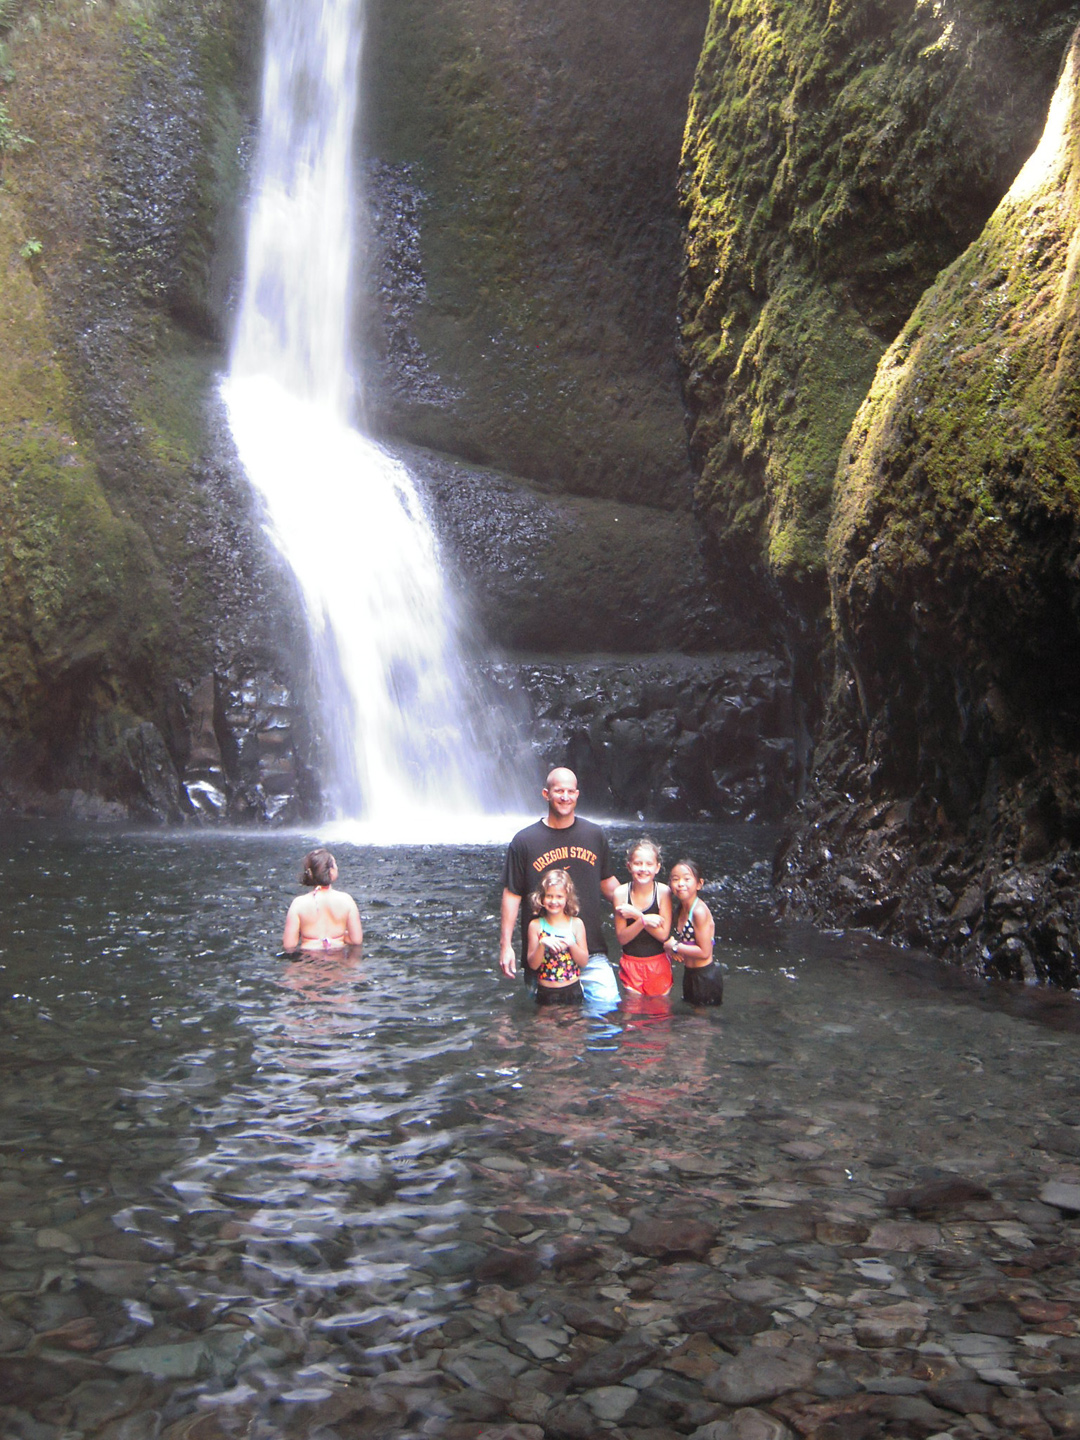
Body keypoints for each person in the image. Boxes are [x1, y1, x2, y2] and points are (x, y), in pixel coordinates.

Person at [499, 766, 620, 1008]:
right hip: (543, 955)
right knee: (548, 1029)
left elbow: (608, 884)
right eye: (558, 791)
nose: (565, 797)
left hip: (590, 951)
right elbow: (512, 894)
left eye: (570, 791)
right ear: (546, 794)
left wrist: (645, 906)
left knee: (606, 1017)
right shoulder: (524, 841)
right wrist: (506, 946)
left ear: (577, 794)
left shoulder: (594, 834)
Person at [613, 837, 673, 996]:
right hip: (631, 963)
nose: (643, 869)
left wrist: (637, 915)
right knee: (631, 1015)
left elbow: (663, 935)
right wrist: (644, 920)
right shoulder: (620, 893)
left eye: (649, 864)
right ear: (629, 866)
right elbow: (622, 938)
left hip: (658, 963)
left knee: (660, 1014)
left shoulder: (663, 892)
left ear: (657, 867)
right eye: (638, 863)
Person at [525, 869, 588, 1006]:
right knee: (546, 1027)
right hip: (546, 991)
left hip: (572, 989)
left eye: (559, 897)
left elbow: (583, 961)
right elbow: (533, 964)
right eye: (549, 896)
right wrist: (542, 944)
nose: (554, 901)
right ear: (541, 898)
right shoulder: (536, 925)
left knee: (575, 1026)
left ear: (567, 898)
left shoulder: (576, 924)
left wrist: (572, 944)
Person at [664, 858, 723, 1005]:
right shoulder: (681, 909)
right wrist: (674, 948)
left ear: (699, 884)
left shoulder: (699, 911)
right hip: (690, 974)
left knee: (700, 1025)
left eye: (687, 879)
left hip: (704, 977)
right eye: (675, 879)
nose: (680, 884)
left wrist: (675, 946)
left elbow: (704, 951)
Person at [282, 848, 363, 952]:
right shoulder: (346, 900)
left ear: (310, 873)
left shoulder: (298, 903)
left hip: (308, 960)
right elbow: (356, 940)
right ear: (331, 871)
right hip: (337, 958)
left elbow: (289, 945)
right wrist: (338, 937)